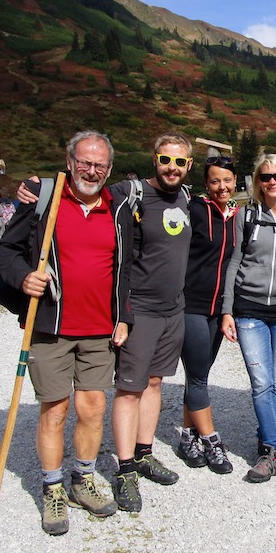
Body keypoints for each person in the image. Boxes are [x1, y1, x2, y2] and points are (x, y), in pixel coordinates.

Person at [0, 130, 132, 536]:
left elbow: (126, 269)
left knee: (93, 408)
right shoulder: (44, 199)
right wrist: (24, 278)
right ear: (69, 162)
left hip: (100, 330)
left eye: (100, 165)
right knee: (54, 410)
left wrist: (123, 317)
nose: (91, 171)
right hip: (50, 327)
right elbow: (7, 251)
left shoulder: (118, 208)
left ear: (110, 169)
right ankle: (52, 488)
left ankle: (82, 479)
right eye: (84, 162)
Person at [110, 134, 195, 512]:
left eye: (179, 162)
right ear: (154, 159)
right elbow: (87, 190)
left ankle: (144, 454)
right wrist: (38, 187)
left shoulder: (187, 197)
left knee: (155, 382)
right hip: (140, 309)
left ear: (189, 166)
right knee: (130, 388)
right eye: (165, 159)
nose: (171, 168)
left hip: (173, 310)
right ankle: (125, 469)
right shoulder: (131, 193)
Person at [221, 154, 276, 483]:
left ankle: (267, 439)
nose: (272, 182)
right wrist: (227, 309)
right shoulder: (247, 215)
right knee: (261, 382)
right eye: (265, 177)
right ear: (257, 181)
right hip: (249, 309)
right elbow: (234, 262)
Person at [176, 155, 239, 474]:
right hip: (191, 305)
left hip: (218, 309)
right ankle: (211, 441)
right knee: (199, 376)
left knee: (198, 374)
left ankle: (187, 437)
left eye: (227, 180)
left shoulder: (239, 214)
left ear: (236, 181)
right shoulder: (194, 209)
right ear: (206, 184)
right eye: (215, 180)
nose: (221, 186)